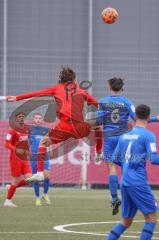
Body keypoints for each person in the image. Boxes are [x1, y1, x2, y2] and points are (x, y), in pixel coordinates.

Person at [6, 66, 102, 182]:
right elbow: (98, 104)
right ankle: (98, 152)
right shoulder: (82, 91)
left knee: (43, 142)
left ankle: (40, 173)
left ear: (60, 79)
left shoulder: (56, 88)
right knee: (97, 126)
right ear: (74, 80)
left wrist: (17, 98)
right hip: (79, 127)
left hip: (64, 127)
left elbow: (37, 93)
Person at [96, 78, 158, 215]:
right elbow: (137, 118)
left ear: (109, 87)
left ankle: (114, 198)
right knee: (127, 164)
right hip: (124, 137)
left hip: (109, 138)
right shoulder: (127, 102)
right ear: (122, 89)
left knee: (111, 167)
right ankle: (130, 194)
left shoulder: (102, 102)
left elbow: (98, 121)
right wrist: (155, 119)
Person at [107, 104, 159, 240]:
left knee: (126, 221)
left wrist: (128, 165)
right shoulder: (148, 136)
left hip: (125, 182)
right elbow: (153, 159)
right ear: (148, 117)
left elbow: (115, 159)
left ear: (135, 117)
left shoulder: (124, 136)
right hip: (138, 182)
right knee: (151, 217)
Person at [4, 112, 32, 207]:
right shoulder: (12, 130)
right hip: (16, 158)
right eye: (19, 117)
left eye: (23, 116)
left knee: (30, 179)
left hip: (24, 158)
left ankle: (10, 187)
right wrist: (16, 149)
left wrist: (28, 151)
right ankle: (8, 201)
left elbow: (27, 141)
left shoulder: (26, 129)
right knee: (16, 180)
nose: (21, 118)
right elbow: (7, 144)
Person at [29, 113, 51, 206]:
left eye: (39, 118)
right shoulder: (29, 130)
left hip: (44, 155)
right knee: (36, 178)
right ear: (33, 120)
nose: (38, 119)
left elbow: (49, 142)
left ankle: (45, 194)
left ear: (41, 120)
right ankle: (37, 198)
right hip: (34, 156)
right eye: (36, 118)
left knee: (47, 176)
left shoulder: (46, 130)